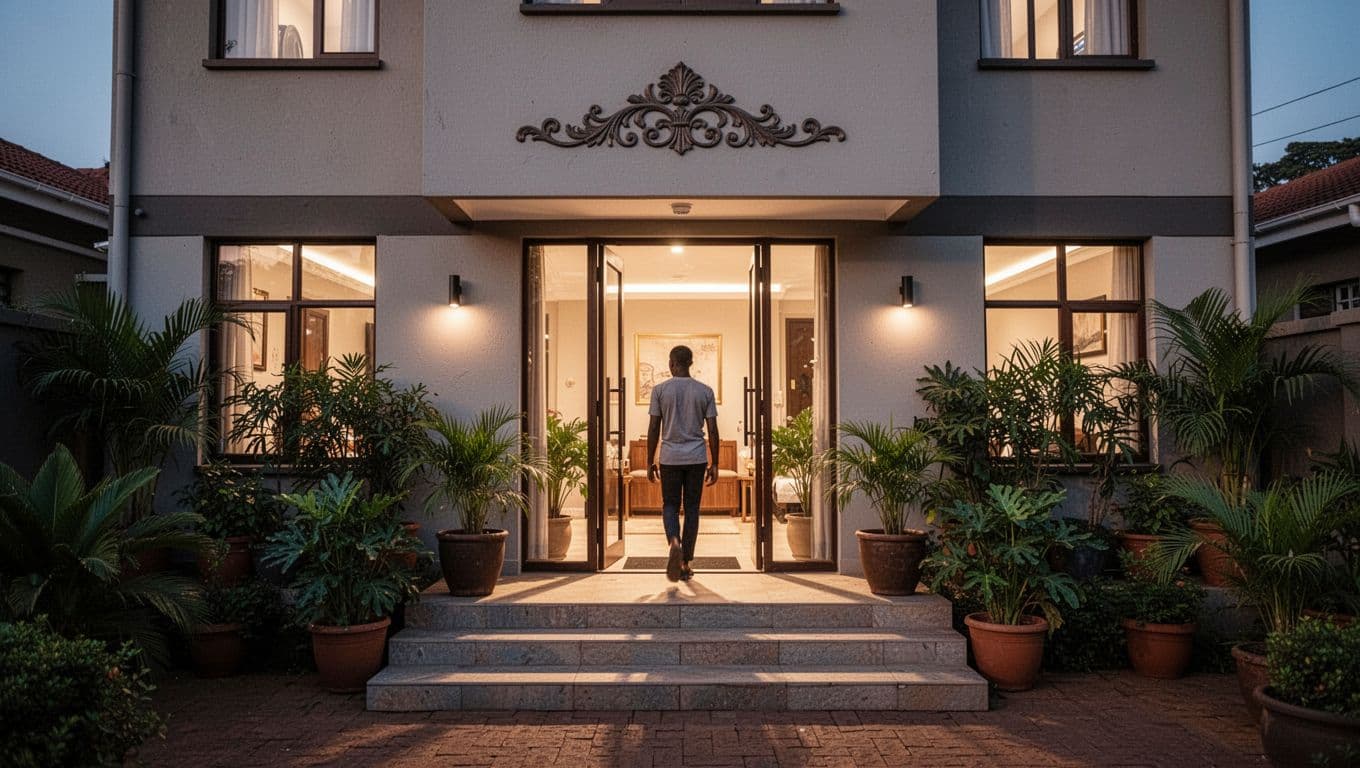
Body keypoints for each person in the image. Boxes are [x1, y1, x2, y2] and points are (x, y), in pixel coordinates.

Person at [646, 345, 719, 582]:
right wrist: (715, 463)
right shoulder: (705, 391)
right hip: (696, 457)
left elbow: (654, 428)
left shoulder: (659, 390)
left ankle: (674, 542)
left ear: (672, 363)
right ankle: (685, 562)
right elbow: (713, 429)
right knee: (692, 509)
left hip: (670, 457)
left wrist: (649, 461)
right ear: (690, 363)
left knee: (669, 505)